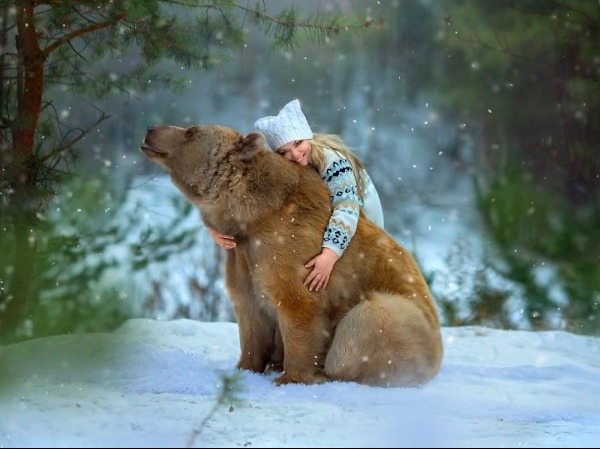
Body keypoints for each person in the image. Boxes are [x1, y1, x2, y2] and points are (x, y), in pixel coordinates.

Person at [208, 99, 384, 292]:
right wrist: (217, 226)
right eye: (285, 152)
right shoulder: (290, 169)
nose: (296, 154)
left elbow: (347, 209)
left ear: (307, 136)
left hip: (362, 235)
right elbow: (254, 194)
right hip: (334, 231)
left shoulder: (334, 163)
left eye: (298, 143)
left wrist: (330, 255)